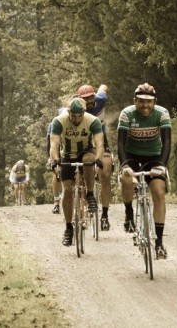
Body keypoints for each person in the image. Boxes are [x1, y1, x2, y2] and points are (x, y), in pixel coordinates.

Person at [117, 83, 171, 260]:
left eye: (148, 102)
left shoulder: (162, 113)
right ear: (135, 101)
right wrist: (125, 166)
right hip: (131, 156)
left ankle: (159, 243)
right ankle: (129, 213)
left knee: (158, 192)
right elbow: (121, 143)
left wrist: (161, 165)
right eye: (141, 102)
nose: (145, 106)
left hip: (153, 158)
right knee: (127, 180)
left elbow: (167, 141)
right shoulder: (126, 114)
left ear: (155, 102)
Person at [49, 97, 104, 246]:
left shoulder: (93, 121)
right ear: (69, 112)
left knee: (88, 161)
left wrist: (98, 159)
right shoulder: (59, 121)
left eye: (80, 115)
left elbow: (99, 144)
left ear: (84, 112)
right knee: (66, 191)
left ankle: (90, 194)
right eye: (73, 115)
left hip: (86, 151)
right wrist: (54, 161)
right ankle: (68, 228)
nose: (77, 119)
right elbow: (54, 145)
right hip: (67, 155)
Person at [77, 84, 113, 231]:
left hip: (100, 141)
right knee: (79, 177)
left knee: (105, 174)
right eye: (85, 99)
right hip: (82, 142)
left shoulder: (101, 99)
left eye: (91, 97)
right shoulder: (76, 107)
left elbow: (104, 88)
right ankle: (81, 213)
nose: (90, 101)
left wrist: (102, 87)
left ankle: (104, 215)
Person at [47, 107, 68, 214]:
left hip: (70, 149)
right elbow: (49, 144)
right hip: (57, 150)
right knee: (57, 174)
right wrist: (51, 159)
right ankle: (56, 201)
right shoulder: (53, 124)